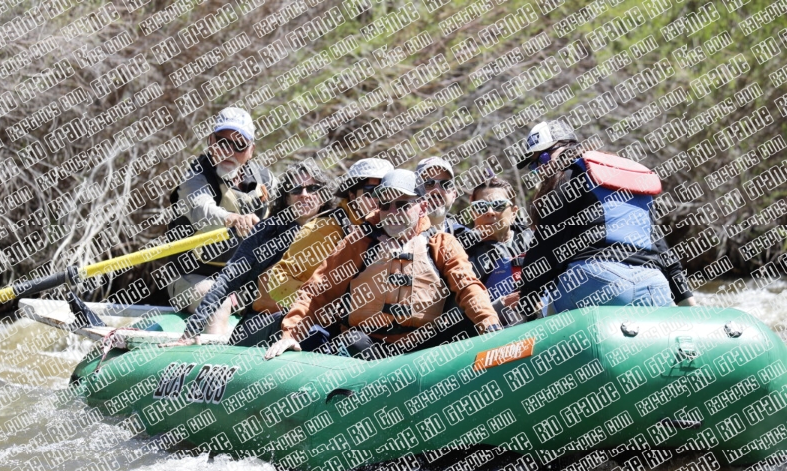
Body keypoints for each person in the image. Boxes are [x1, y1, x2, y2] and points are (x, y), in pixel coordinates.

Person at [265, 169, 501, 360]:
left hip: (425, 347)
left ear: (423, 206)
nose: (392, 212)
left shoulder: (441, 243)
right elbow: (317, 292)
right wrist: (292, 333)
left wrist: (489, 324)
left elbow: (468, 287)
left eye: (402, 204)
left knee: (464, 327)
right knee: (351, 342)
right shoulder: (357, 243)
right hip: (367, 345)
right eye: (385, 204)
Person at [515, 120, 696, 318]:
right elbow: (662, 249)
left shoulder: (564, 180)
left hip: (596, 281)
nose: (540, 170)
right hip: (654, 284)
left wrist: (527, 310)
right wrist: (688, 304)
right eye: (534, 166)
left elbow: (544, 254)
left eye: (541, 159)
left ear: (561, 149)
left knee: (548, 312)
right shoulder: (623, 177)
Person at [170, 161, 341, 347]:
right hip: (265, 323)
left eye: (313, 188)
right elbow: (226, 281)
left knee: (321, 334)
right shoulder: (266, 232)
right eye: (296, 190)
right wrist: (192, 330)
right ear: (286, 198)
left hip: (316, 324)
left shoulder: (341, 232)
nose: (304, 195)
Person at [164, 107, 278, 334]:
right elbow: (202, 210)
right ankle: (212, 366)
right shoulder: (196, 176)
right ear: (210, 142)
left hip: (243, 282)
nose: (228, 151)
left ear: (251, 150)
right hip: (194, 278)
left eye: (239, 144)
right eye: (222, 143)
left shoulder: (266, 180)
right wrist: (232, 218)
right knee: (219, 300)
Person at [444, 178, 534, 327]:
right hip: (492, 339)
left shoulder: (536, 241)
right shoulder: (461, 255)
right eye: (481, 207)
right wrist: (500, 306)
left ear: (513, 212)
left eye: (498, 205)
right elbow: (453, 321)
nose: (490, 212)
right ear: (473, 213)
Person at [416, 157, 459, 230]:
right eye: (428, 183)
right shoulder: (400, 237)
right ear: (414, 191)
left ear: (454, 195)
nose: (437, 190)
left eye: (445, 184)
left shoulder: (466, 237)